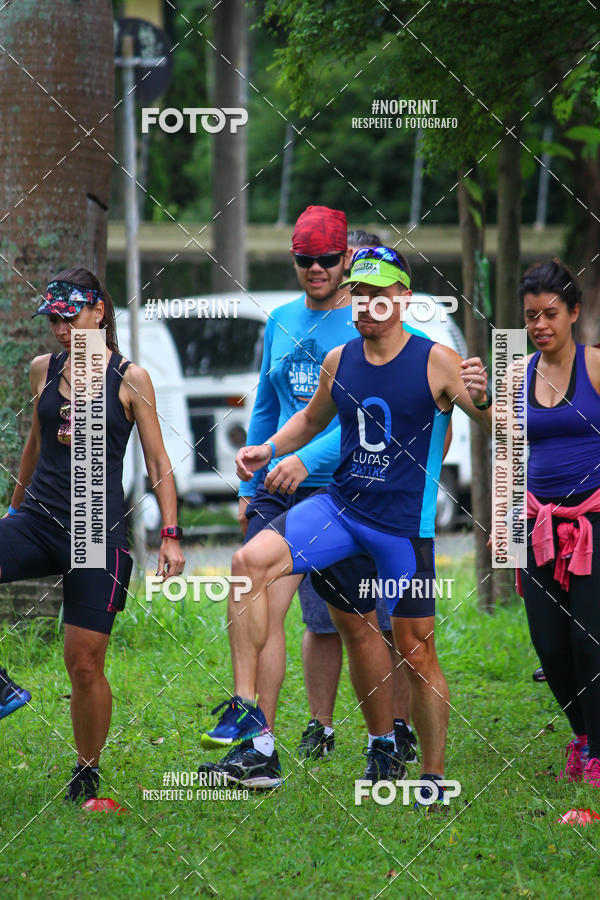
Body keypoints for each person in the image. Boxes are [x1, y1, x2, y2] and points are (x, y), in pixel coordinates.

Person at [201, 246, 492, 803]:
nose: (366, 305)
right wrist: (266, 447)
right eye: (359, 293)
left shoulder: (437, 360)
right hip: (341, 509)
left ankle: (431, 775)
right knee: (246, 563)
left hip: (404, 530)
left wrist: (482, 397)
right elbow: (311, 418)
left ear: (403, 298)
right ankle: (246, 708)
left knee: (415, 649)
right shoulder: (339, 358)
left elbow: (494, 425)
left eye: (378, 295)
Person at [0, 269, 184, 801]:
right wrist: (13, 510)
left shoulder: (130, 378)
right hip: (36, 520)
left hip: (94, 530)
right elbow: (35, 443)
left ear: (99, 312)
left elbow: (157, 461)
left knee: (83, 664)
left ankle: (86, 774)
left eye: (69, 316)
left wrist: (170, 534)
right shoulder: (43, 370)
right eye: (53, 319)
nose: (59, 328)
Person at [462, 259, 600, 788]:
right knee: (550, 644)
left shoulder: (593, 366)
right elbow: (508, 439)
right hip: (537, 523)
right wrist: (478, 401)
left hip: (591, 523)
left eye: (550, 314)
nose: (540, 325)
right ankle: (582, 736)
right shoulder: (518, 373)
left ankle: (596, 749)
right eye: (530, 317)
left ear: (574, 313)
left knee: (590, 642)